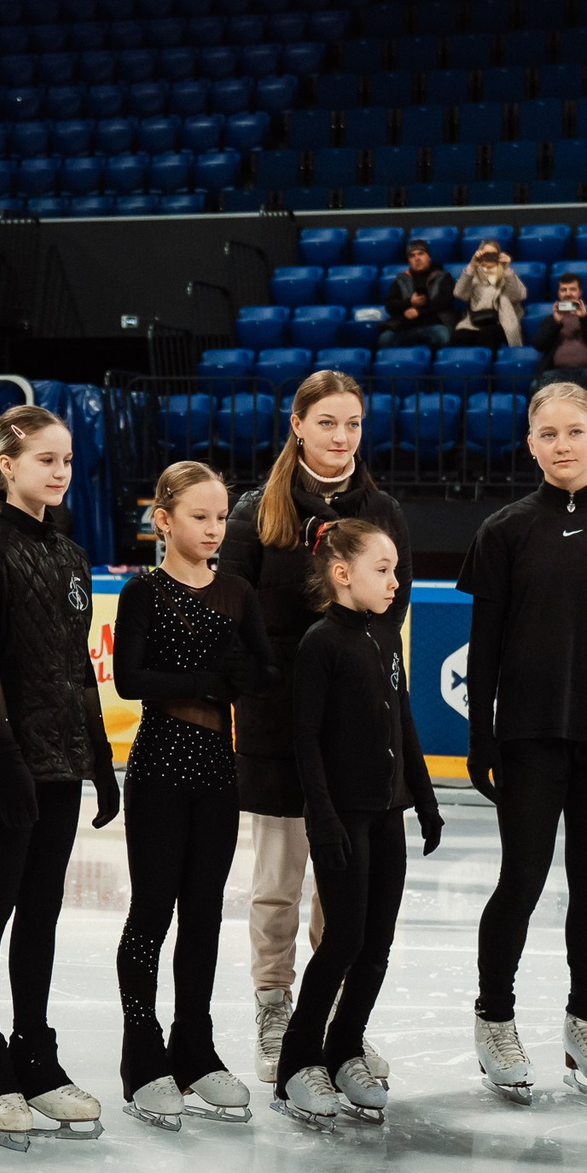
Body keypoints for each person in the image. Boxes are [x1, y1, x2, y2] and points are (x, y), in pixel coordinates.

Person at [461, 382, 587, 1105]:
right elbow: (482, 646)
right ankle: (494, 1016)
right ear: (531, 444)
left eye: (574, 431)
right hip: (528, 736)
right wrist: (479, 734)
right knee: (521, 877)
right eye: (547, 434)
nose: (562, 445)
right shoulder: (505, 530)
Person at [222, 371, 410, 1087]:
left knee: (347, 891)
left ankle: (338, 1024)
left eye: (353, 424)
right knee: (278, 884)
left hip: (355, 736)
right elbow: (233, 618)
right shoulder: (255, 512)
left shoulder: (382, 508)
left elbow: (391, 619)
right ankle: (276, 1009)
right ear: (297, 424)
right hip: (277, 729)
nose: (341, 437)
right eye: (327, 422)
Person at [0, 404, 118, 1146]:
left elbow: (78, 664)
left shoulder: (73, 555)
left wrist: (102, 756)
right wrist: (7, 755)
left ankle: (35, 1053)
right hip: (3, 754)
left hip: (61, 756)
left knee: (43, 905)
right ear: (7, 464)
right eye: (45, 459)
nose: (58, 471)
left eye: (67, 460)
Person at [111, 461, 274, 1130]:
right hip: (158, 767)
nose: (213, 528)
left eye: (221, 517)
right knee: (153, 910)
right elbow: (128, 678)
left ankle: (194, 1047)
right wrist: (211, 679)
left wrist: (237, 676)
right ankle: (142, 1053)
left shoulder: (238, 591)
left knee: (204, 913)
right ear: (165, 520)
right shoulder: (144, 591)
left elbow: (261, 674)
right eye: (200, 516)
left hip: (216, 772)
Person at [270, 517, 442, 1127]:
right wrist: (322, 819)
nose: (396, 581)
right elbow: (307, 741)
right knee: (343, 939)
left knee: (376, 945)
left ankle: (344, 1048)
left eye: (395, 569)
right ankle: (296, 1062)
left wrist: (424, 798)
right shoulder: (321, 643)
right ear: (342, 575)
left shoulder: (385, 637)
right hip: (343, 818)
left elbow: (404, 723)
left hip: (387, 812)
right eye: (383, 569)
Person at [531, 274, 587, 394]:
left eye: (572, 289)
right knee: (535, 386)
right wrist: (555, 322)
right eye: (563, 290)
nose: (568, 293)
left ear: (580, 292)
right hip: (557, 372)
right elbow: (539, 345)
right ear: (559, 293)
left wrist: (585, 318)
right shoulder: (551, 320)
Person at [452, 240, 526, 346]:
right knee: (458, 337)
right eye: (486, 254)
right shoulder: (473, 275)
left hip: (501, 321)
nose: (489, 258)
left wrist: (506, 269)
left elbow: (519, 295)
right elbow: (459, 293)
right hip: (476, 321)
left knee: (487, 334)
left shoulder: (507, 275)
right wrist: (472, 266)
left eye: (493, 255)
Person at [385, 239, 455, 348]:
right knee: (385, 339)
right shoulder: (401, 280)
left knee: (442, 336)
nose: (417, 258)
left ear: (429, 257)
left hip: (435, 323)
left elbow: (444, 302)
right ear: (408, 261)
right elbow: (390, 305)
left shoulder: (443, 277)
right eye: (412, 256)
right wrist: (409, 302)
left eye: (421, 254)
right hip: (407, 325)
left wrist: (419, 311)